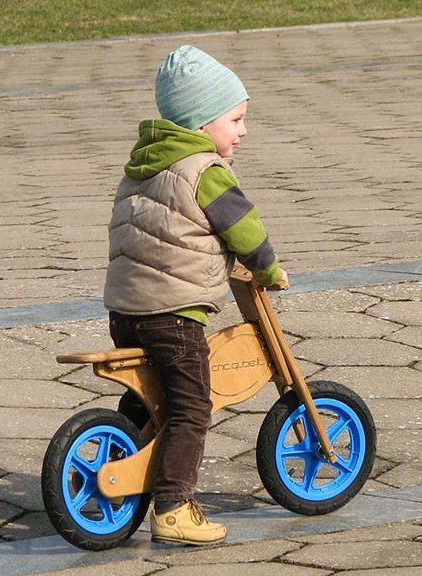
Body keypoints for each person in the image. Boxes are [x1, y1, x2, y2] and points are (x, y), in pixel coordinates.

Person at [103, 45, 288, 546]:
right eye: (236, 119)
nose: (243, 130)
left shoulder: (141, 167)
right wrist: (267, 269)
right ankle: (173, 506)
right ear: (203, 123)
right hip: (174, 315)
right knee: (193, 406)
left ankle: (107, 466)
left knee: (147, 398)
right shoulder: (205, 171)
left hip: (126, 311)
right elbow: (243, 228)